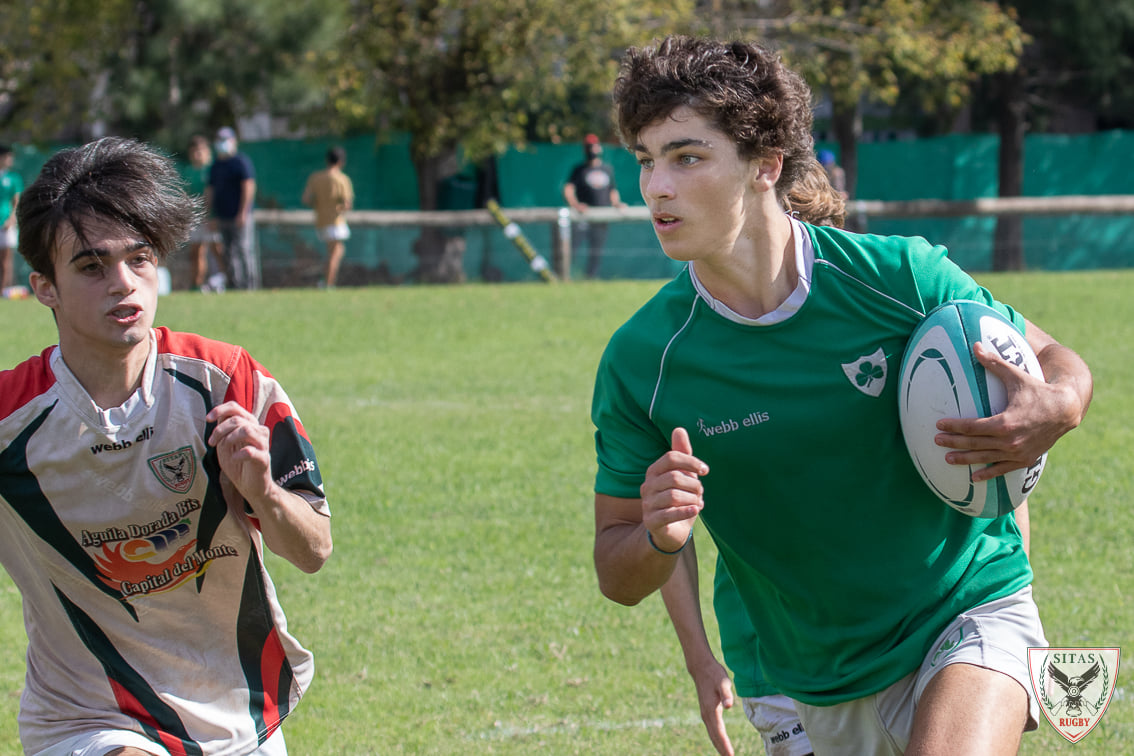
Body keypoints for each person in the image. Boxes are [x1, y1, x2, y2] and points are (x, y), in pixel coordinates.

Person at [591, 35, 1092, 756]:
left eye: (686, 157)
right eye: (645, 160)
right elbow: (616, 570)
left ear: (765, 165)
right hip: (809, 677)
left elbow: (1050, 356)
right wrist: (657, 534)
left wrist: (1063, 401)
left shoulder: (897, 279)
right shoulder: (643, 363)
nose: (655, 187)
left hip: (964, 613)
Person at [3, 136, 332, 755]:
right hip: (87, 717)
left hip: (235, 710)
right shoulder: (9, 424)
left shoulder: (228, 381)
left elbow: (313, 549)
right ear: (44, 286)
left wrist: (262, 490)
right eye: (91, 266)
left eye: (140, 259)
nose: (123, 284)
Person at [563, 133, 628, 278]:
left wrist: (616, 203)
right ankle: (565, 276)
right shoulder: (579, 169)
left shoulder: (607, 169)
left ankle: (590, 278)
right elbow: (568, 189)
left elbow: (612, 190)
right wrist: (575, 205)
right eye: (589, 146)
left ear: (599, 148)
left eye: (594, 146)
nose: (592, 149)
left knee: (596, 251)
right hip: (582, 218)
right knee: (572, 249)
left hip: (600, 219)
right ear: (585, 149)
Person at [206, 126, 258, 290]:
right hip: (222, 216)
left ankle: (250, 286)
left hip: (239, 216)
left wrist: (243, 212)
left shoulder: (240, 162)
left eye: (225, 140)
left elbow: (248, 187)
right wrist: (210, 215)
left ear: (233, 141)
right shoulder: (216, 165)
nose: (222, 144)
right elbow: (211, 191)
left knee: (244, 250)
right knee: (228, 252)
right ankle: (235, 286)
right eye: (219, 140)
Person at [301, 146, 355, 287]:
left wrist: (319, 205)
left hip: (321, 220)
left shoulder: (315, 178)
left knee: (333, 252)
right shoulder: (342, 179)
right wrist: (338, 208)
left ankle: (325, 281)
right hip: (335, 221)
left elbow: (306, 199)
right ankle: (328, 284)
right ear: (341, 162)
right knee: (336, 253)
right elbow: (347, 204)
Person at [181, 134, 225, 291]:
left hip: (213, 217)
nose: (197, 154)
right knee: (196, 252)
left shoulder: (214, 169)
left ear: (207, 151)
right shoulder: (188, 171)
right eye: (194, 151)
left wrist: (214, 215)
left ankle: (225, 281)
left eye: (200, 150)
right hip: (195, 218)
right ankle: (197, 286)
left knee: (217, 250)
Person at [0, 144, 23, 293]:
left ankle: (3, 290)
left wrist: (11, 219)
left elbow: (16, 201)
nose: (10, 160)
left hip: (6, 223)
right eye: (7, 157)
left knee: (6, 260)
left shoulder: (13, 178)